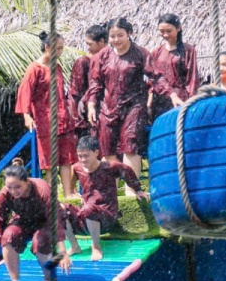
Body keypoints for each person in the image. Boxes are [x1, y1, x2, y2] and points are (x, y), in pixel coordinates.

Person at [0, 158, 70, 281]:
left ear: (27, 181)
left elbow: (55, 221)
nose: (13, 191)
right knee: (8, 236)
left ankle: (49, 279)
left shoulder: (42, 190)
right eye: (9, 187)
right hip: (23, 220)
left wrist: (62, 252)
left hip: (44, 221)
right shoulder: (4, 194)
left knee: (39, 240)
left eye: (17, 187)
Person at [89, 17, 151, 176]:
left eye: (120, 35)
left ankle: (132, 190)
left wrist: (152, 100)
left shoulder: (141, 54)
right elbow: (95, 82)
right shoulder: (101, 56)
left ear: (129, 33)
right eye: (112, 36)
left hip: (134, 106)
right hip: (108, 107)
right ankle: (112, 192)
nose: (116, 40)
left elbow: (155, 78)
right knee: (108, 149)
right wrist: (91, 104)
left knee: (130, 146)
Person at [67, 134, 139, 263]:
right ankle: (74, 246)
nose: (83, 159)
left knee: (89, 209)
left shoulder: (110, 167)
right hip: (87, 218)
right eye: (80, 156)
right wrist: (72, 191)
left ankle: (96, 246)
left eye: (86, 155)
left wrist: (138, 190)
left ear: (96, 153)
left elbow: (127, 171)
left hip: (107, 218)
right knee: (61, 210)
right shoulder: (77, 168)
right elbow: (72, 180)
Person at [14, 32, 77, 175]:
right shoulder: (34, 69)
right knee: (50, 162)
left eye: (62, 48)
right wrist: (26, 115)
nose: (60, 52)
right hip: (45, 119)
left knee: (67, 158)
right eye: (57, 48)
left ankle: (68, 192)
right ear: (47, 47)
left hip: (63, 117)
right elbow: (25, 92)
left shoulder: (57, 67)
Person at [147, 13, 200, 117]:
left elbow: (192, 79)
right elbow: (152, 82)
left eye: (169, 31)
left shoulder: (188, 50)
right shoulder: (156, 52)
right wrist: (149, 104)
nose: (165, 34)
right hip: (160, 100)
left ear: (179, 28)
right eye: (162, 31)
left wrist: (190, 102)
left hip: (180, 100)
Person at [69, 22, 108, 144]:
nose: (87, 47)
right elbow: (75, 93)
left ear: (101, 42)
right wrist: (78, 121)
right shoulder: (83, 62)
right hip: (86, 117)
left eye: (90, 44)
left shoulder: (112, 59)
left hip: (106, 112)